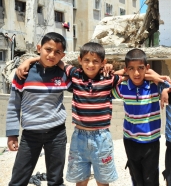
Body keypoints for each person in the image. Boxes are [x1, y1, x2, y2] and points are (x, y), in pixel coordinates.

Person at [16, 42, 122, 186]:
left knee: (103, 181)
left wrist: (111, 68)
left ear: (102, 62)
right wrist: (29, 60)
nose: (90, 64)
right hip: (79, 136)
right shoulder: (75, 74)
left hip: (102, 137)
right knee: (80, 179)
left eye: (96, 61)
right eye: (86, 60)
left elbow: (131, 74)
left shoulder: (109, 79)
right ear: (80, 60)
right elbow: (56, 60)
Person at [6, 32, 71, 186]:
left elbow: (83, 82)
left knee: (56, 180)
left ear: (62, 55)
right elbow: (14, 105)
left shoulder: (62, 75)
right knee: (18, 179)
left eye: (57, 52)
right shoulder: (23, 73)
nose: (51, 55)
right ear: (39, 48)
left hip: (57, 134)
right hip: (30, 135)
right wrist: (12, 134)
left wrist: (63, 65)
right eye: (48, 50)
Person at [111, 48, 171, 186]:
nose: (136, 73)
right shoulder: (123, 87)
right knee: (136, 176)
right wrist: (121, 74)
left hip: (151, 141)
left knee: (151, 178)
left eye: (141, 68)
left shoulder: (155, 86)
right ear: (126, 69)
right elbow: (107, 83)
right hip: (130, 140)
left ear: (147, 68)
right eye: (131, 69)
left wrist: (154, 77)